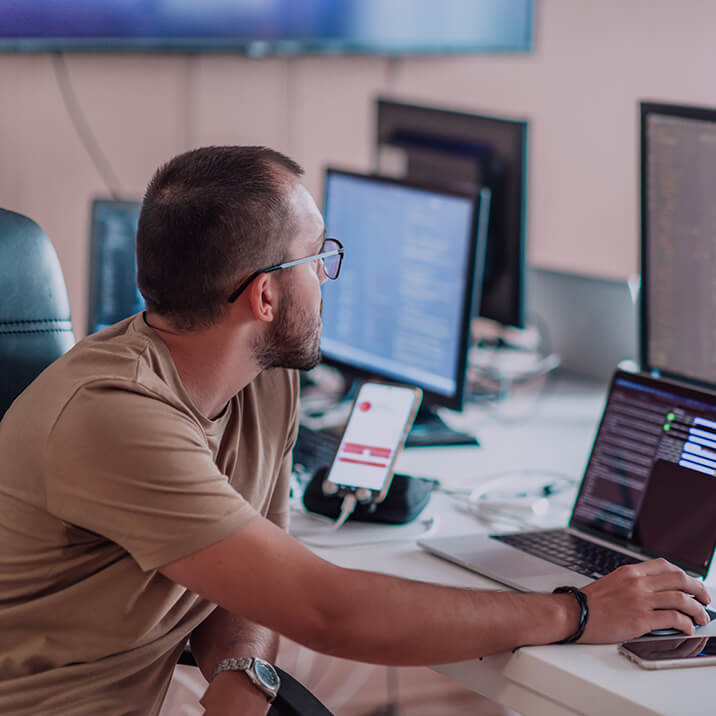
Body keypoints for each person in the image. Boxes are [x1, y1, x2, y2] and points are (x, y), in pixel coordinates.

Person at [0, 146, 710, 716]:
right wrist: (579, 611)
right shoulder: (114, 415)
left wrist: (241, 675)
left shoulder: (261, 377)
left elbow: (252, 586)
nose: (329, 276)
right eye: (319, 255)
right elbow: (326, 610)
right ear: (266, 295)